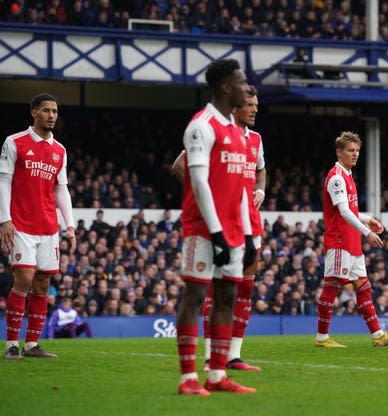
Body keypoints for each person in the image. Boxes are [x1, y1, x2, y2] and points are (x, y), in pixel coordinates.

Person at [173, 58, 256, 396]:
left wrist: (248, 233)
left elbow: (239, 189)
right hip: (202, 228)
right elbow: (199, 181)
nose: (247, 89)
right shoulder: (201, 126)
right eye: (242, 82)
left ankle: (218, 374)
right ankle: (187, 378)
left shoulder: (237, 133)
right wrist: (217, 231)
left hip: (235, 229)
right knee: (194, 296)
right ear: (225, 87)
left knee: (228, 296)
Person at [0, 93, 77, 360]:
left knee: (42, 284)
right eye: (46, 111)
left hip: (48, 227)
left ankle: (31, 345)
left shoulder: (60, 151)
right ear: (34, 113)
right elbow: (5, 182)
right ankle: (10, 344)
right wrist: (5, 219)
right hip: (21, 224)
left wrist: (70, 226)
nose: (52, 115)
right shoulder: (15, 142)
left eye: (55, 111)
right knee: (25, 279)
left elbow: (61, 189)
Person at [315, 131, 388, 348]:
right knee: (332, 286)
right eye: (350, 150)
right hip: (339, 240)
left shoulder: (347, 175)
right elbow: (344, 212)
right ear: (339, 152)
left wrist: (368, 219)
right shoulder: (337, 177)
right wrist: (368, 232)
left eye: (357, 150)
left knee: (363, 287)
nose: (355, 154)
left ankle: (378, 335)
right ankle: (322, 338)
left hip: (352, 241)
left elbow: (351, 210)